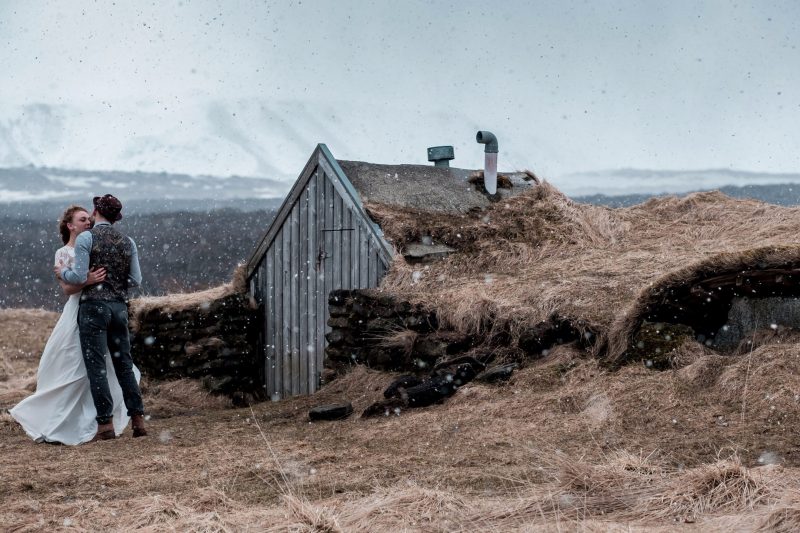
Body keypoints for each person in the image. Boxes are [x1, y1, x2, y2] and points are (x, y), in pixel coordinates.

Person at [10, 205, 141, 445]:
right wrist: (87, 279)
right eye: (82, 220)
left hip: (97, 308)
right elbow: (68, 289)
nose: (88, 222)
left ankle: (100, 419)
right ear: (70, 225)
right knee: (75, 365)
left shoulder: (92, 243)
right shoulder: (64, 253)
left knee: (102, 367)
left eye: (88, 218)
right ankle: (74, 419)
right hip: (79, 309)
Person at [57, 194, 148, 441]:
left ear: (96, 211)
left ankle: (105, 426)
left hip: (94, 308)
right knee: (124, 366)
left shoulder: (87, 237)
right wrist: (115, 281)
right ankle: (138, 420)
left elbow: (77, 277)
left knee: (96, 367)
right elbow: (136, 281)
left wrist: (62, 271)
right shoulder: (128, 241)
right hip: (119, 307)